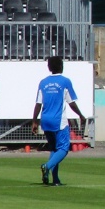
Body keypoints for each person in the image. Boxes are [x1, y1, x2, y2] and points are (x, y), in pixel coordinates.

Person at [31, 56, 86, 186]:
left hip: (45, 120)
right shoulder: (65, 82)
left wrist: (34, 121)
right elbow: (71, 102)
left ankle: (55, 179)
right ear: (61, 66)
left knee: (54, 149)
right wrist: (81, 115)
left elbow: (38, 104)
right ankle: (47, 166)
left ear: (49, 67)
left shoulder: (43, 82)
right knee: (64, 148)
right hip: (58, 121)